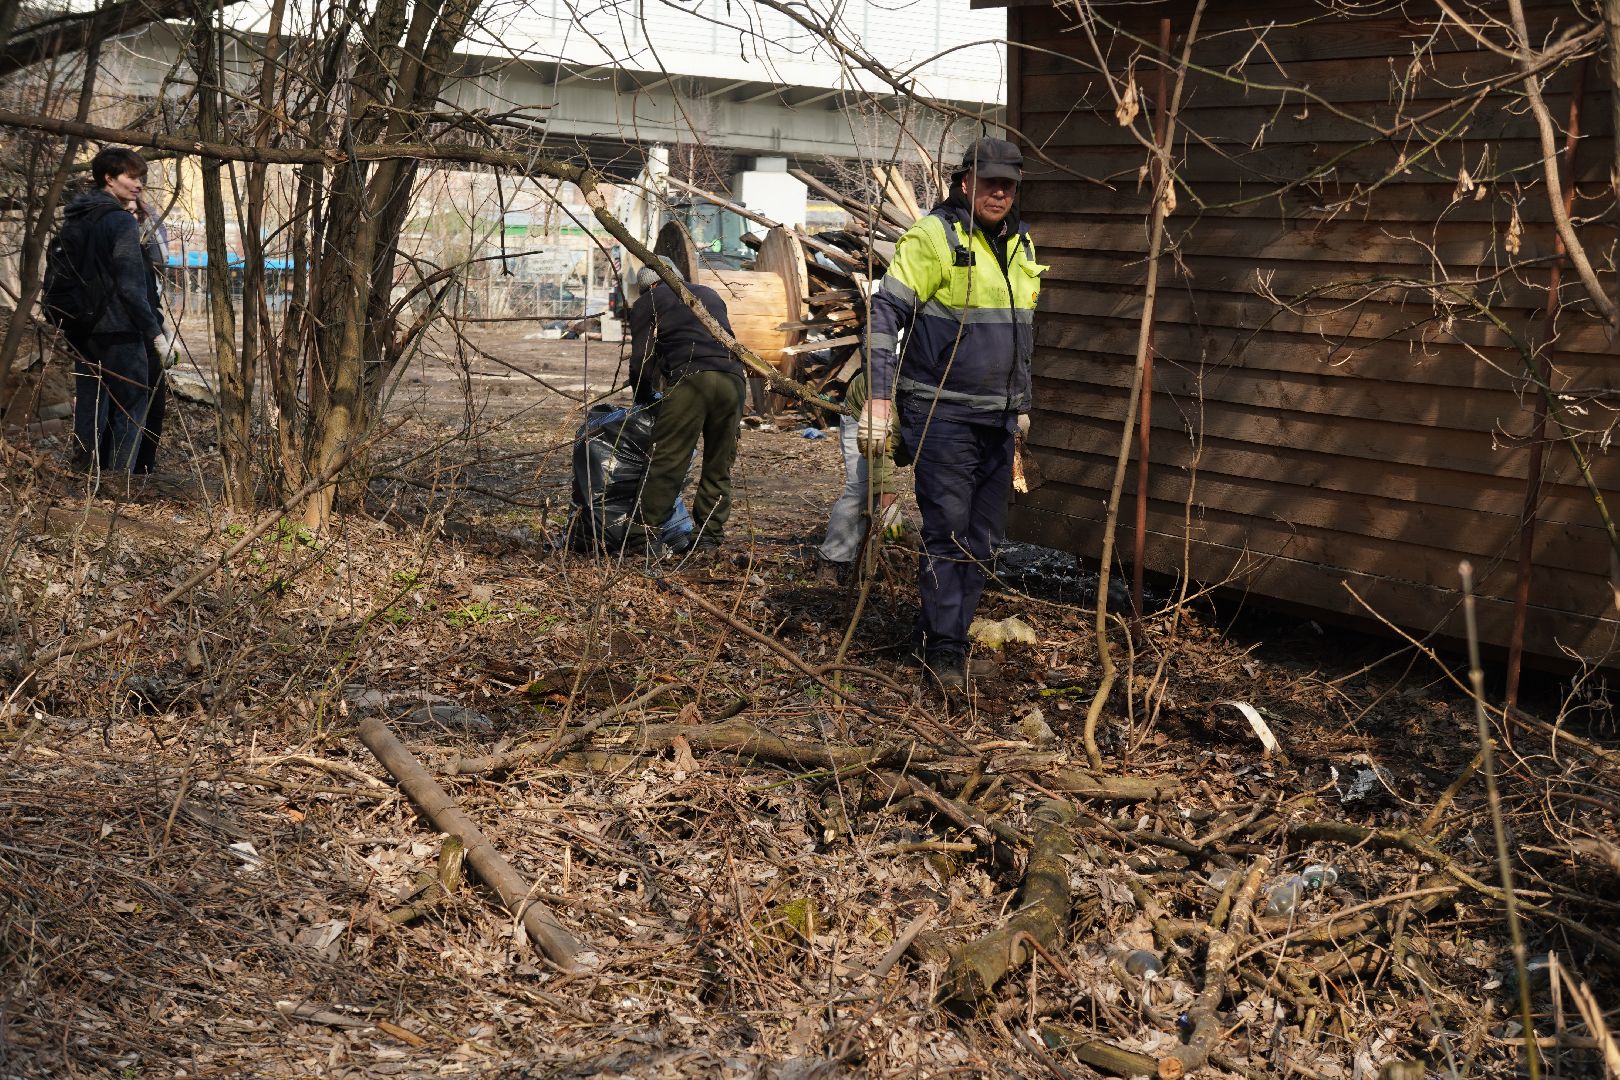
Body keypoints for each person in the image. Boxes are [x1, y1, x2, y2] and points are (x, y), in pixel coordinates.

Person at [861, 137, 1045, 693]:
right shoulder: (934, 237)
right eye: (988, 181)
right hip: (942, 416)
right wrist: (877, 398)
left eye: (1008, 184)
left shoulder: (1020, 245)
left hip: (998, 418)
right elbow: (884, 310)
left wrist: (1022, 405)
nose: (998, 192)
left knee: (983, 540)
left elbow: (1019, 331)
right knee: (949, 534)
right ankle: (945, 655)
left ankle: (942, 637)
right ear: (965, 181)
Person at [623, 256, 746, 554]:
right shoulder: (709, 293)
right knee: (719, 464)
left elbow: (641, 360)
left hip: (691, 380)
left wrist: (643, 400)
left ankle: (642, 538)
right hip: (733, 381)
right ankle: (708, 538)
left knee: (668, 460)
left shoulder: (648, 301)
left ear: (649, 286)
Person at [59, 146, 166, 476]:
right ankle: (120, 486)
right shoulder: (120, 222)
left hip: (80, 328)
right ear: (109, 178)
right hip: (119, 330)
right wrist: (155, 334)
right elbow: (132, 288)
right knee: (132, 406)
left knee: (90, 407)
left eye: (141, 178)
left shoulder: (75, 219)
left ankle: (83, 478)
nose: (138, 184)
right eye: (131, 177)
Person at [816, 368, 901, 584]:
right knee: (862, 488)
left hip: (895, 419)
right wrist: (888, 500)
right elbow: (880, 454)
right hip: (865, 411)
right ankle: (833, 560)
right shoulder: (898, 395)